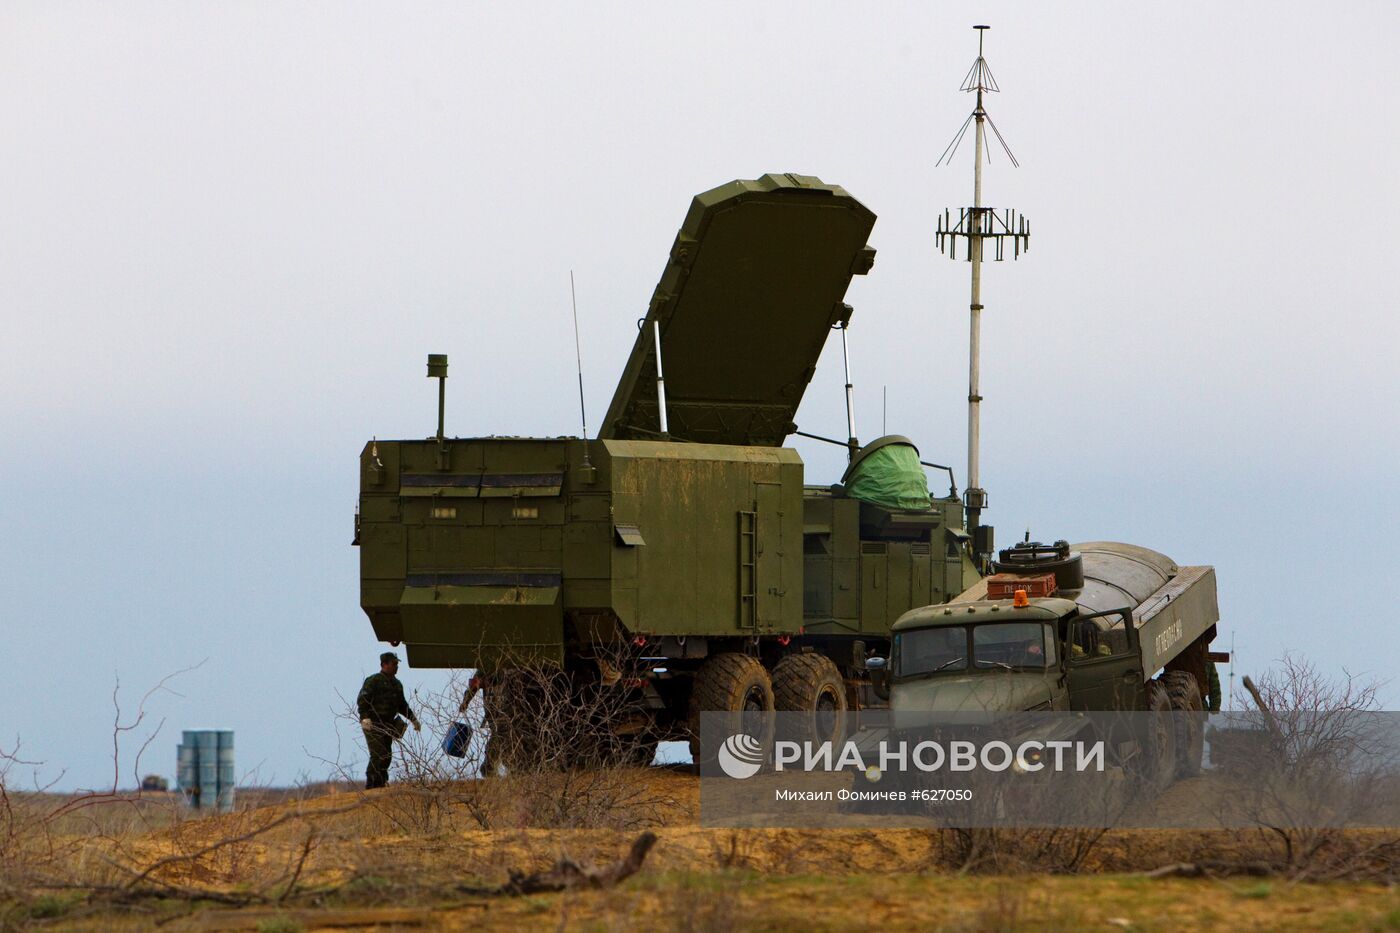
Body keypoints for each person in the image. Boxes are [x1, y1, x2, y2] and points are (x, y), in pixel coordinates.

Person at [357, 651, 420, 789]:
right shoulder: (373, 681)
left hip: (388, 724)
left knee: (387, 755)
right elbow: (363, 700)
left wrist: (413, 719)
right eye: (394, 664)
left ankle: (381, 783)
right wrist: (364, 717)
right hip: (373, 724)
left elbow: (402, 705)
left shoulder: (397, 684)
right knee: (378, 753)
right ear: (384, 664)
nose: (396, 667)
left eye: (397, 664)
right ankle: (372, 785)